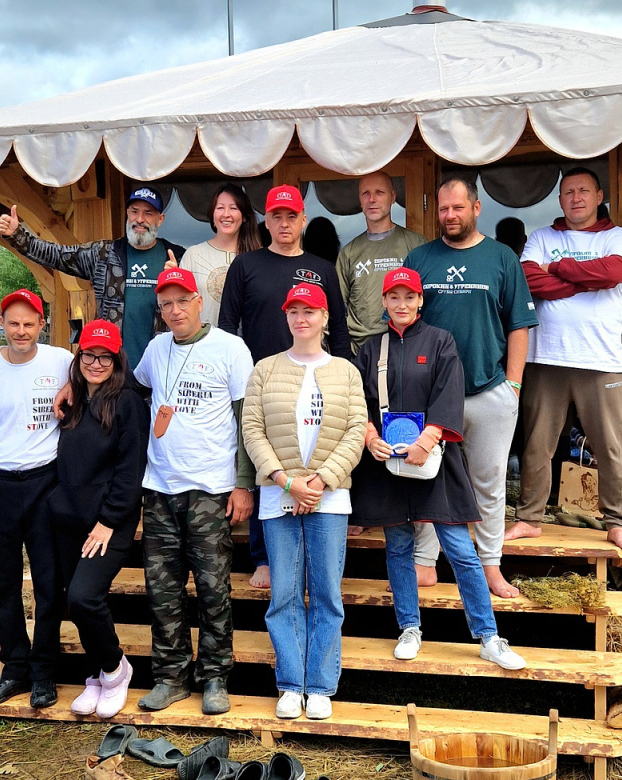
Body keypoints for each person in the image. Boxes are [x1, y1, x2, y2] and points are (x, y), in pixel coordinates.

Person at [351, 268, 526, 670]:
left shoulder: (440, 341)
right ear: (384, 301)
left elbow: (449, 394)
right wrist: (369, 437)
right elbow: (357, 399)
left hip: (433, 460)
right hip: (387, 462)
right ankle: (409, 628)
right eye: (394, 297)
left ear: (420, 300)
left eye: (409, 296)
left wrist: (427, 439)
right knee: (398, 546)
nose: (402, 304)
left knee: (460, 548)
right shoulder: (371, 348)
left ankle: (488, 636)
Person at [404, 177, 538, 598]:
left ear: (476, 208)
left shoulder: (501, 258)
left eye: (458, 208)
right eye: (443, 208)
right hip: (431, 394)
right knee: (425, 477)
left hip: (488, 389)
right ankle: (424, 563)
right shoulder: (420, 258)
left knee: (489, 483)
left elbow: (519, 325)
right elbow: (404, 319)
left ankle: (490, 567)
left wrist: (513, 385)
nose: (450, 215)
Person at [242, 283, 367, 721]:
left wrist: (320, 480)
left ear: (325, 318)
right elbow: (252, 430)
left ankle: (320, 686)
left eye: (309, 311)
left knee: (327, 593)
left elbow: (356, 429)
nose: (301, 318)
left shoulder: (346, 372)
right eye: (293, 310)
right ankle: (291, 684)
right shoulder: (265, 369)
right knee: (285, 594)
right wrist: (286, 481)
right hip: (279, 496)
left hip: (329, 498)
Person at [134, 267, 254, 716]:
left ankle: (215, 676)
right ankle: (170, 677)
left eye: (182, 301)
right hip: (160, 487)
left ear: (199, 302)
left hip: (210, 488)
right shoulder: (155, 349)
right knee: (162, 589)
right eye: (166, 304)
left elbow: (246, 420)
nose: (175, 310)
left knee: (212, 587)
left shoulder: (230, 348)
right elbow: (134, 389)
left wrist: (243, 484)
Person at [219, 184, 352, 589]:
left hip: (316, 378)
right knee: (268, 466)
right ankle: (264, 557)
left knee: (315, 458)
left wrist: (345, 378)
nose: (283, 223)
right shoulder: (246, 265)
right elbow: (226, 328)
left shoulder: (322, 269)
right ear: (266, 222)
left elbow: (339, 330)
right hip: (261, 382)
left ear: (302, 220)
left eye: (291, 216)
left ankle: (316, 557)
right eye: (276, 216)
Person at [507, 168, 622, 553]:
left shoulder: (617, 236)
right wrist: (585, 281)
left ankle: (617, 523)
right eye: (568, 192)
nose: (576, 197)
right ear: (560, 200)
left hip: (601, 360)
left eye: (583, 191)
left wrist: (558, 268)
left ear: (599, 196)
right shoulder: (542, 237)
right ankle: (529, 519)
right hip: (546, 357)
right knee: (537, 444)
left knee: (609, 446)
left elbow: (614, 271)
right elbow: (527, 279)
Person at [0, 289, 73, 708]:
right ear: (2, 325)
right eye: (13, 324)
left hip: (45, 483)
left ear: (42, 324)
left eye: (29, 324)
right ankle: (15, 668)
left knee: (48, 583)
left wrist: (70, 387)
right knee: (2, 583)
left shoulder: (61, 360)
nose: (21, 331)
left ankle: (44, 672)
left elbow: (95, 374)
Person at [50, 320, 149, 718]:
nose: (95, 363)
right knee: (73, 602)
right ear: (79, 357)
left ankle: (115, 669)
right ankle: (95, 675)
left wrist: (109, 520)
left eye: (104, 357)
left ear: (117, 360)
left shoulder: (127, 404)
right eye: (89, 355)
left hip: (108, 524)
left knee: (84, 597)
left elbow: (130, 471)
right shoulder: (73, 402)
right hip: (67, 518)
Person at [0, 186, 185, 369]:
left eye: (148, 213)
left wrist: (179, 280)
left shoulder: (177, 258)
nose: (140, 219)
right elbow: (58, 255)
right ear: (127, 213)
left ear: (160, 219)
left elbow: (192, 307)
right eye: (134, 211)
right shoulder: (104, 254)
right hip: (111, 368)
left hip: (161, 369)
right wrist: (17, 235)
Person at [337, 172, 426, 355]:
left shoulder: (416, 245)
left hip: (406, 349)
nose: (372, 199)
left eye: (379, 192)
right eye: (366, 193)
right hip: (361, 353)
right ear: (360, 200)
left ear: (392, 197)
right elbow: (337, 308)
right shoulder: (349, 252)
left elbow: (428, 300)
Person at [176, 183, 261, 326]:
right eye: (220, 208)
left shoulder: (257, 259)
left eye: (233, 208)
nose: (226, 214)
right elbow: (181, 305)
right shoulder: (194, 255)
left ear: (244, 217)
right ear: (213, 215)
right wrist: (172, 281)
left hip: (246, 339)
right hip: (203, 338)